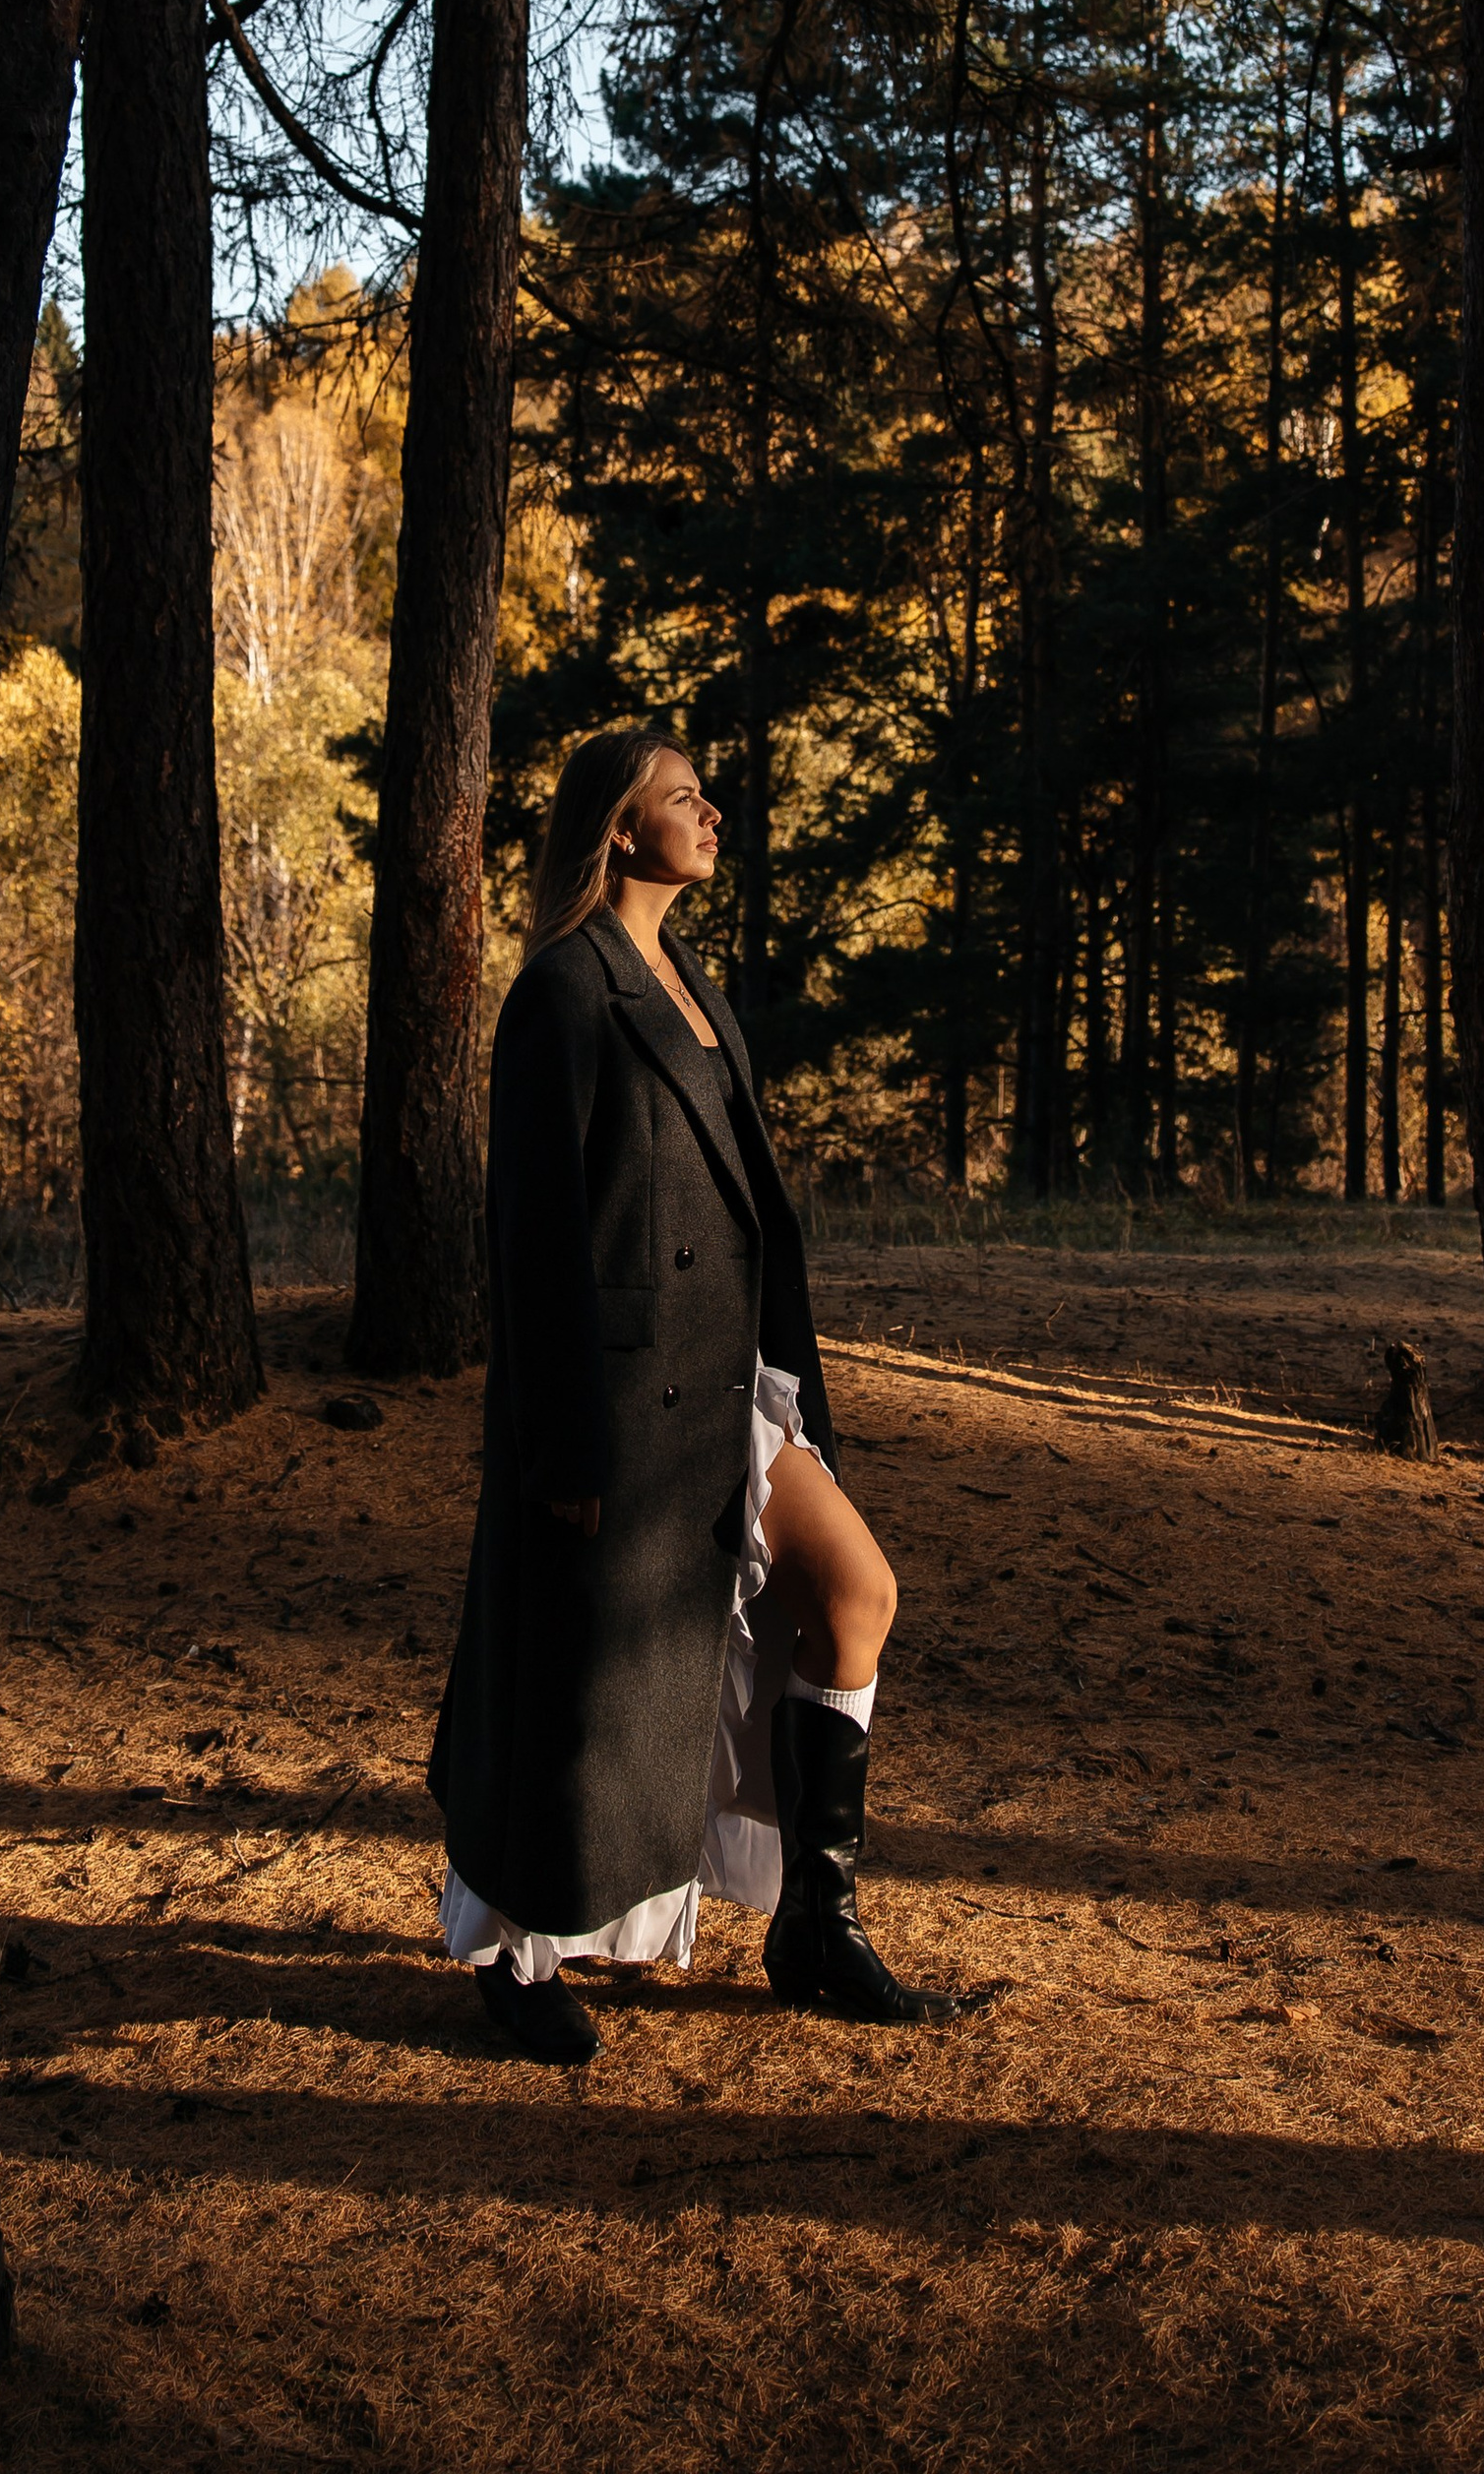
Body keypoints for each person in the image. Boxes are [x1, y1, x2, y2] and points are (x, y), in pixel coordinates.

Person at [429, 721, 949, 2064]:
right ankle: (513, 1951)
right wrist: (564, 1444)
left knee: (856, 1593)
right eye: (682, 796)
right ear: (617, 825)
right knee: (577, 1693)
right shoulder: (561, 990)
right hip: (619, 1405)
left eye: (708, 794)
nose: (711, 811)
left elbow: (751, 1212)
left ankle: (812, 1927)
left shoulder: (696, 980)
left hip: (732, 1386)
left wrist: (800, 1390)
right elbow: (535, 1240)